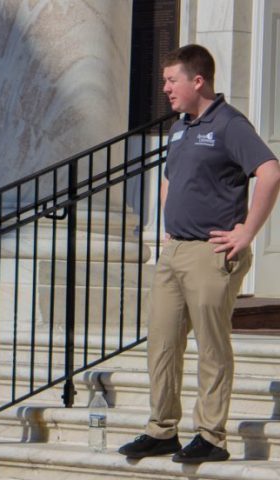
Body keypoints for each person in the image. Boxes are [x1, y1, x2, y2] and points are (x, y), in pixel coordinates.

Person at [118, 44, 280, 464]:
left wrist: (246, 233)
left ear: (198, 80)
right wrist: (166, 229)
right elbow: (172, 177)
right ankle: (162, 429)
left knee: (211, 345)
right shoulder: (179, 127)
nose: (166, 88)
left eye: (172, 80)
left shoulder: (228, 124)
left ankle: (211, 436)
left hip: (212, 253)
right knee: (162, 342)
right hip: (175, 251)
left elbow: (270, 172)